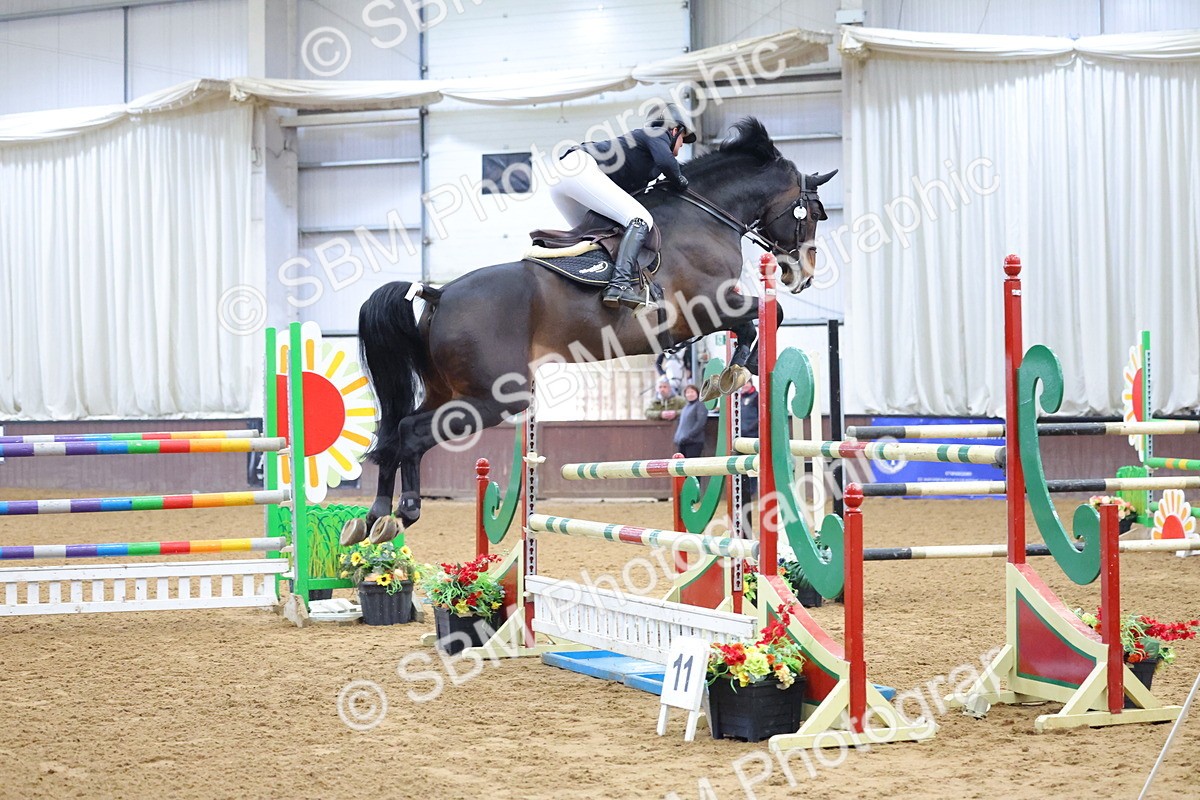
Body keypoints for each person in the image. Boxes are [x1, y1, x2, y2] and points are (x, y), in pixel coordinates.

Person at [549, 103, 696, 312]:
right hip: (578, 169)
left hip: (562, 182)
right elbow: (668, 164)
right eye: (682, 139)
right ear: (674, 131)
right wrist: (682, 182)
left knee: (601, 236)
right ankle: (619, 285)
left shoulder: (645, 162)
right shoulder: (655, 133)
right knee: (640, 219)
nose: (681, 146)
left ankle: (586, 286)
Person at [738, 379, 759, 531]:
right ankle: (743, 491)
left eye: (746, 384)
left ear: (751, 384)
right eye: (742, 384)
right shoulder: (738, 399)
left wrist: (750, 429)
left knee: (753, 465)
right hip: (740, 438)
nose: (744, 386)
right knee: (741, 466)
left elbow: (760, 416)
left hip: (752, 436)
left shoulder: (756, 397)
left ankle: (752, 491)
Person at [673, 384, 707, 459]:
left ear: (697, 393)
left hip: (694, 442)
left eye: (692, 392)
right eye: (687, 392)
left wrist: (689, 435)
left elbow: (700, 423)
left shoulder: (700, 405)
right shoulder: (685, 407)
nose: (690, 394)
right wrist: (677, 437)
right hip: (683, 442)